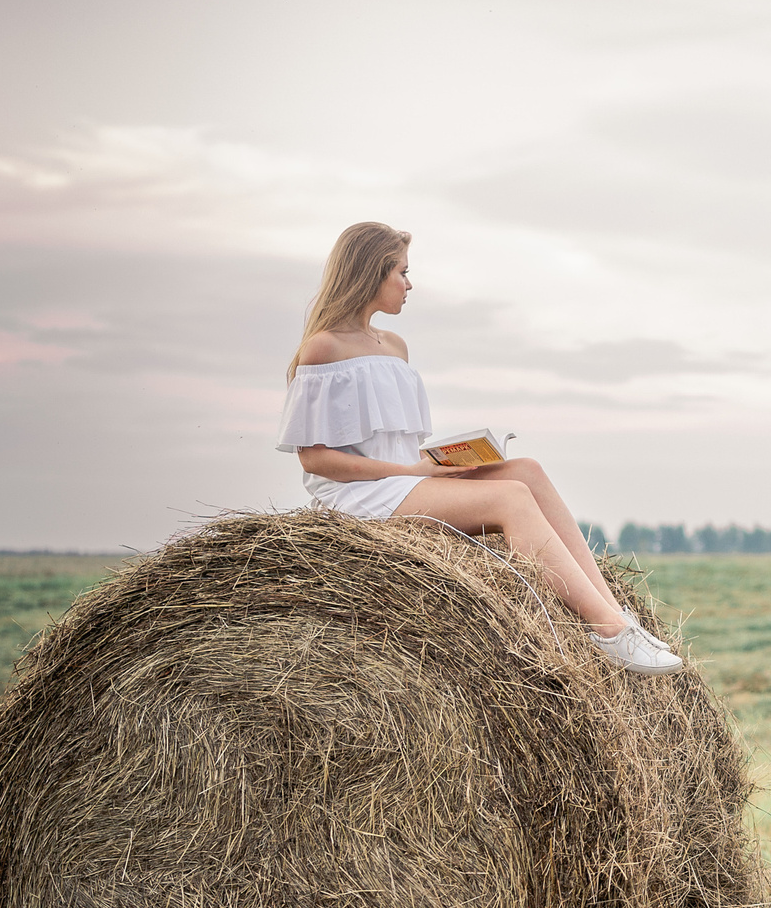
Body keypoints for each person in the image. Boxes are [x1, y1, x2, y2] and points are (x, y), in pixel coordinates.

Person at [278, 222, 681, 675]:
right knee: (508, 498)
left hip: (405, 479)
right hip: (357, 496)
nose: (409, 284)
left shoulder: (394, 346)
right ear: (371, 272)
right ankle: (607, 630)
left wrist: (444, 460)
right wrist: (413, 473)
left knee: (524, 470)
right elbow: (315, 460)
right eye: (402, 272)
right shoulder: (323, 349)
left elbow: (392, 436)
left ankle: (617, 614)